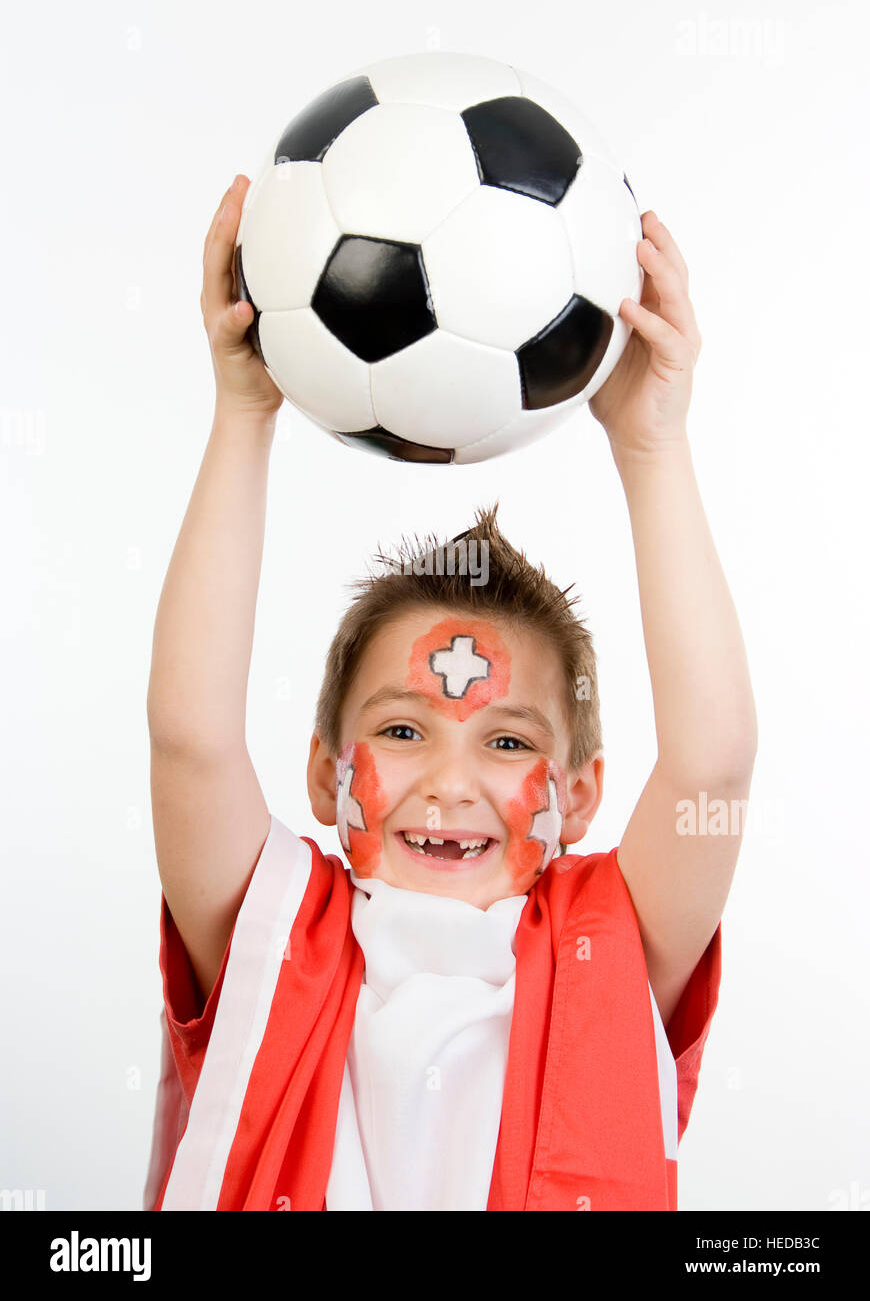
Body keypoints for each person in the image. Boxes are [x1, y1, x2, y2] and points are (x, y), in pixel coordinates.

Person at [143, 174, 757, 1212]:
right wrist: (243, 414)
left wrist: (651, 446)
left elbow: (713, 766)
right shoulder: (276, 930)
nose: (449, 779)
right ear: (327, 771)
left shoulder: (611, 941)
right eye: (401, 726)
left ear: (577, 790)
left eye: (510, 744)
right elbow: (192, 738)